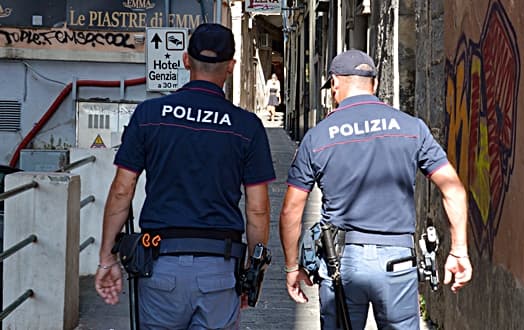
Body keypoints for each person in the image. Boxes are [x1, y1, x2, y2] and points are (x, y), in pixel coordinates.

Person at [94, 23, 276, 329]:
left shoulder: (149, 115)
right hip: (218, 269)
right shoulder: (246, 127)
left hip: (159, 266)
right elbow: (257, 208)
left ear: (185, 60)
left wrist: (106, 258)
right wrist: (251, 270)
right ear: (231, 67)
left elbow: (122, 191)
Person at [279, 49, 472, 329]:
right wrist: (458, 251)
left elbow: (291, 209)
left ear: (334, 83)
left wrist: (291, 267)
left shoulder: (319, 136)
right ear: (375, 84)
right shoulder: (411, 128)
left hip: (343, 263)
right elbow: (453, 189)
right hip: (398, 259)